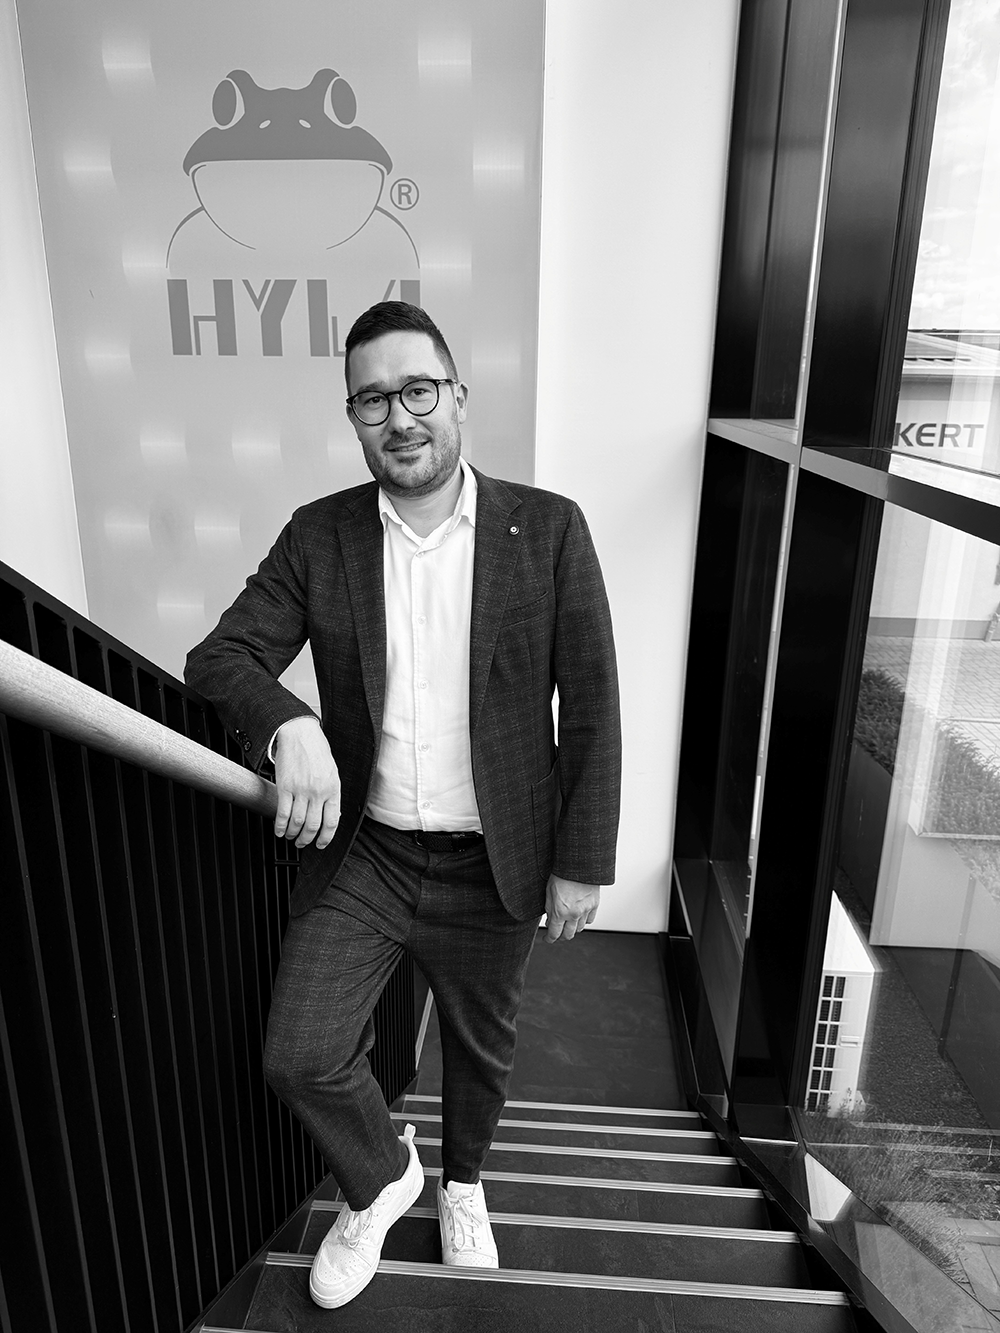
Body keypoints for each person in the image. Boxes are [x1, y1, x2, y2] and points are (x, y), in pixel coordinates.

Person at [185, 301, 621, 1309]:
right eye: (373, 399)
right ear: (354, 417)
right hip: (368, 855)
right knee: (299, 1052)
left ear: (458, 397)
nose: (400, 417)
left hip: (497, 854)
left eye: (417, 389)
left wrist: (581, 859)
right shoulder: (321, 535)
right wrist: (289, 722)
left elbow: (594, 702)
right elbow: (222, 656)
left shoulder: (549, 529)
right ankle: (384, 1178)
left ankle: (464, 1183)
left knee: (480, 1048)